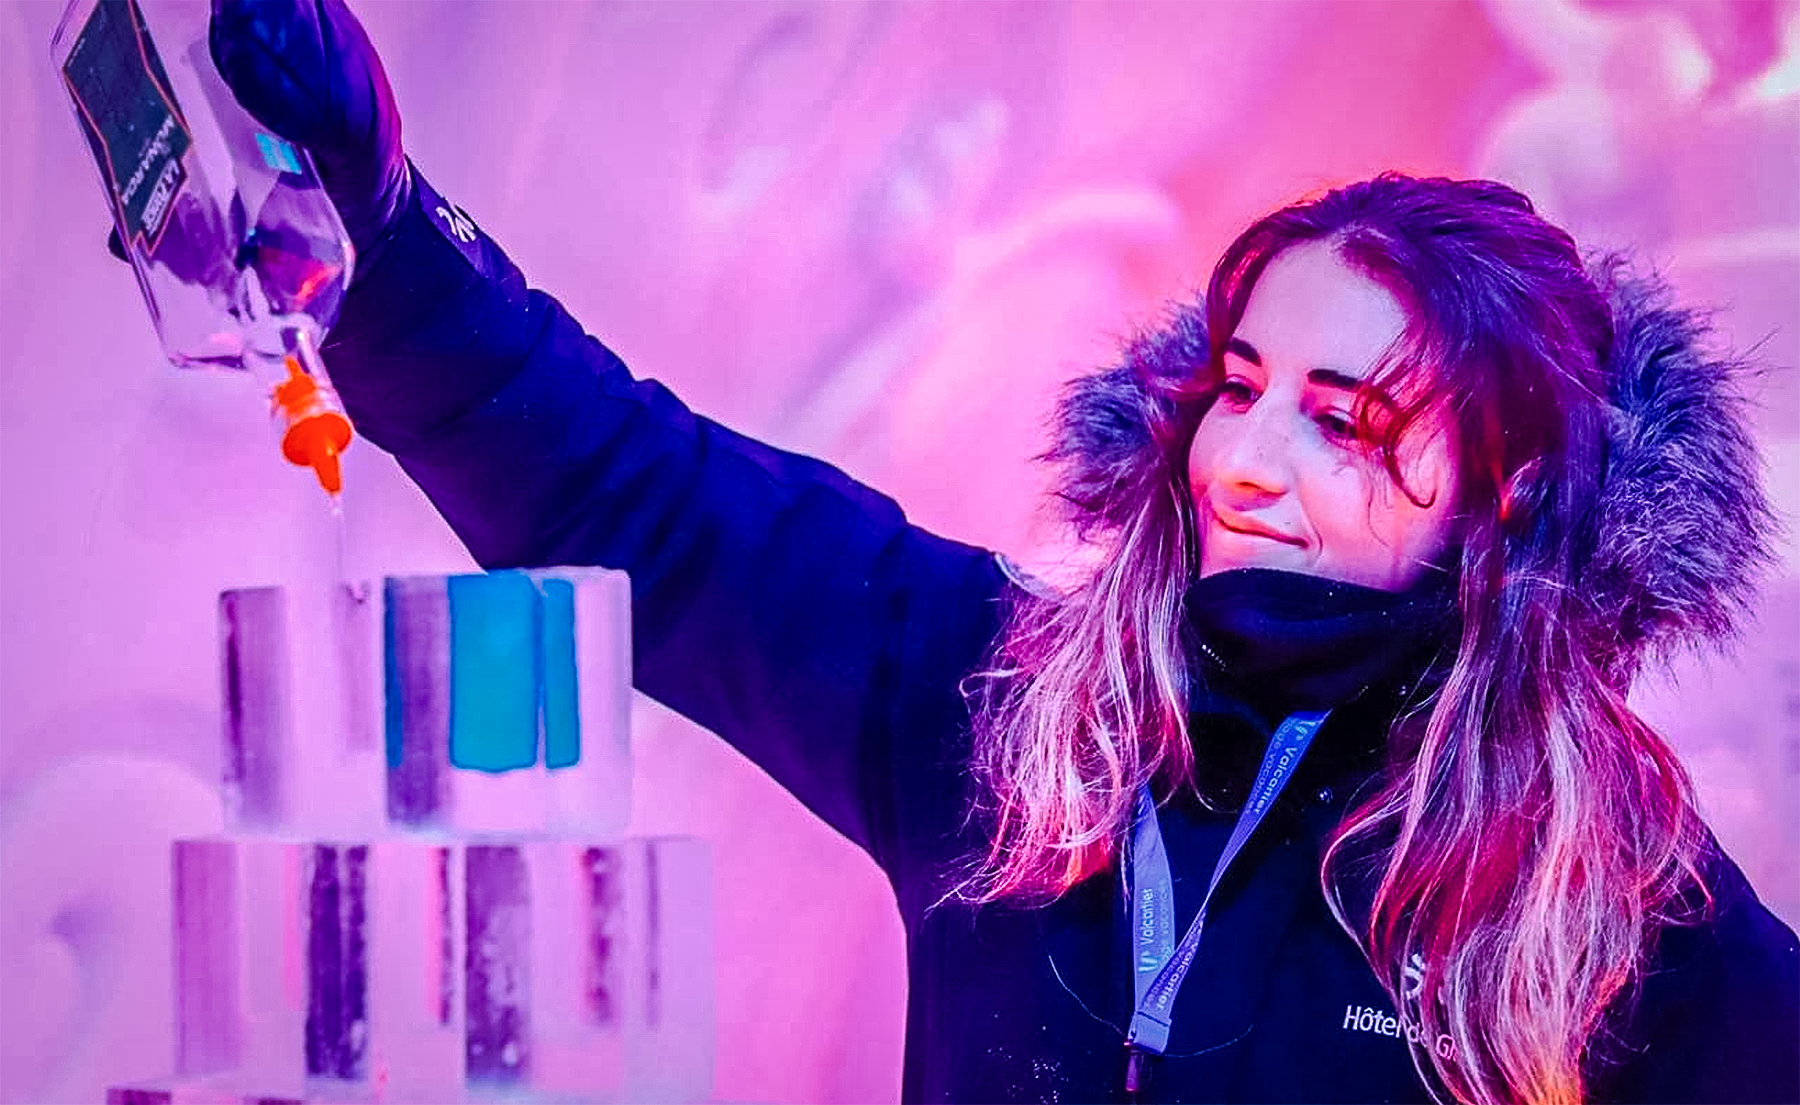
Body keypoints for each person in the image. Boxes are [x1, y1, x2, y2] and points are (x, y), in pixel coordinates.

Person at [205, 2, 1799, 1102]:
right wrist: (383, 238)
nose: (1247, 460)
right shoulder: (1013, 704)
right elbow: (642, 503)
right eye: (1237, 387)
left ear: (1508, 492)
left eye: (1344, 416)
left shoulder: (1605, 888)